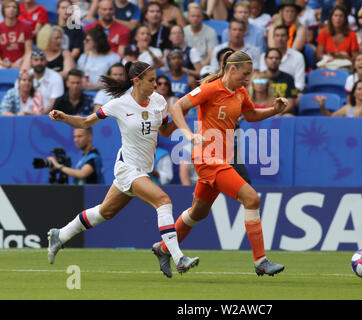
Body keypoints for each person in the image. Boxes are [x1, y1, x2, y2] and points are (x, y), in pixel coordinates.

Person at [47, 61, 200, 277]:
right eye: (151, 81)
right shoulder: (119, 104)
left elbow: (165, 131)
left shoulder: (158, 101)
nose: (155, 85)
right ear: (136, 81)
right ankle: (178, 257)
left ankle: (60, 234)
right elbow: (84, 123)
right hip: (127, 168)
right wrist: (64, 117)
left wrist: (180, 112)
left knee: (104, 212)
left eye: (156, 80)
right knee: (163, 201)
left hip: (142, 169)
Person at [151, 50, 287, 277]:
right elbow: (176, 108)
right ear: (231, 69)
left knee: (197, 213)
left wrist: (274, 110)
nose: (248, 79)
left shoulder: (241, 92)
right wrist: (188, 134)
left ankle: (163, 248)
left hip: (223, 159)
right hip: (207, 158)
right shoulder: (210, 89)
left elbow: (251, 115)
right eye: (245, 74)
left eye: (250, 75)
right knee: (251, 198)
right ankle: (261, 260)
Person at [259, 25, 305, 94]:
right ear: (273, 38)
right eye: (277, 35)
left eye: (283, 35)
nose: (280, 38)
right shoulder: (264, 56)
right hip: (267, 94)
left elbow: (299, 84)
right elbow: (262, 78)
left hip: (290, 92)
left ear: (288, 38)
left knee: (299, 97)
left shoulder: (298, 56)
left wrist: (292, 95)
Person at [77, 25, 121, 91]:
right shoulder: (83, 57)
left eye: (87, 40)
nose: (84, 42)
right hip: (84, 94)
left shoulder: (114, 58)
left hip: (105, 94)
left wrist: (95, 86)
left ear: (97, 41)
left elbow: (118, 80)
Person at [263, 47, 298, 114]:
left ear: (280, 60)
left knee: (288, 117)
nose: (274, 60)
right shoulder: (259, 78)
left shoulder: (289, 78)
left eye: (277, 58)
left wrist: (278, 113)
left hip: (283, 112)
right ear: (265, 60)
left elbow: (291, 101)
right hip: (263, 111)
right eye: (271, 58)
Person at [29, 49, 65, 114]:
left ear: (46, 61)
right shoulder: (25, 76)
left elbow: (54, 103)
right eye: (36, 60)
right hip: (26, 116)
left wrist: (39, 116)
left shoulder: (55, 77)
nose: (39, 63)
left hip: (48, 117)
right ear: (31, 62)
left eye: (42, 60)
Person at [183, 3, 218, 69]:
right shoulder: (183, 31)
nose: (195, 19)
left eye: (198, 16)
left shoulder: (211, 31)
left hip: (205, 66)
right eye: (193, 16)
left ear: (202, 17)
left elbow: (211, 54)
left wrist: (200, 67)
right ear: (188, 17)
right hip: (188, 65)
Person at [0, 0, 33, 70]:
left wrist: (20, 61)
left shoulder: (25, 26)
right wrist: (2, 62)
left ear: (17, 11)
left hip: (22, 62)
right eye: (8, 7)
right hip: (3, 63)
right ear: (3, 10)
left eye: (14, 7)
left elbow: (28, 51)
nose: (11, 9)